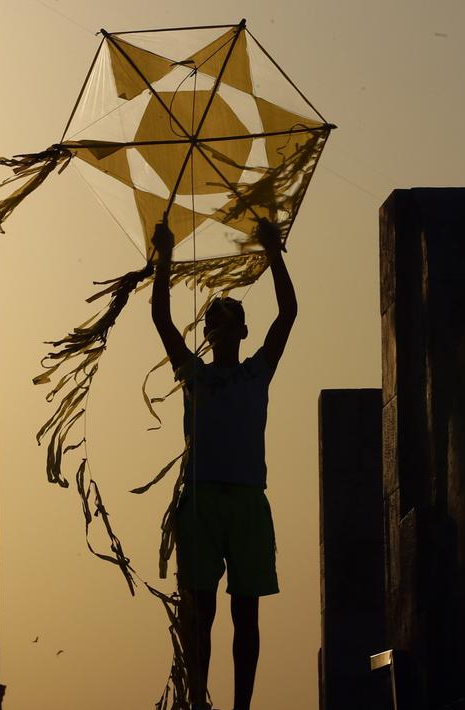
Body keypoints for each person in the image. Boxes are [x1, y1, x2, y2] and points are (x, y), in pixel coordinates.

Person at [149, 218, 296, 710]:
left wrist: (274, 250)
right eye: (215, 324)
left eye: (230, 323)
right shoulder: (195, 376)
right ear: (208, 334)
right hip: (203, 501)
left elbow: (289, 313)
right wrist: (165, 257)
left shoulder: (257, 372)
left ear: (242, 331)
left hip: (248, 502)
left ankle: (241, 706)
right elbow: (163, 322)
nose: (222, 330)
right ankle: (196, 701)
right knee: (199, 614)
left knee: (245, 614)